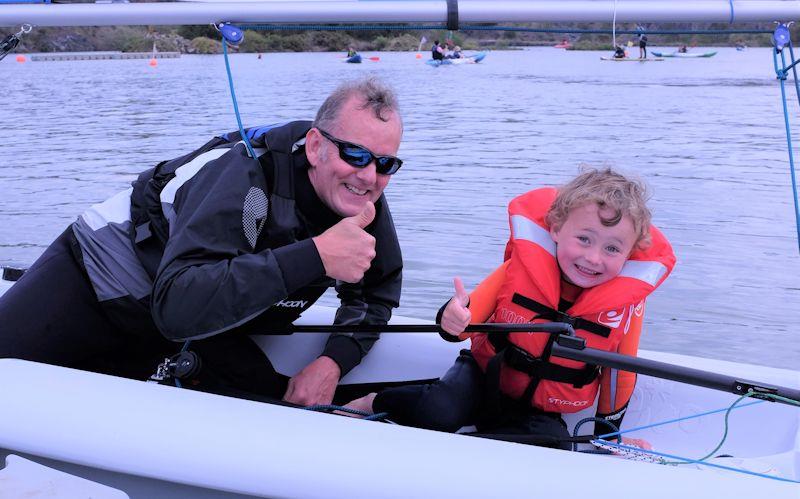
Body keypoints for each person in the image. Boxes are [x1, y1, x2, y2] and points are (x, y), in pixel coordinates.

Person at [0, 76, 405, 407]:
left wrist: (333, 362)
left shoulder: (362, 200)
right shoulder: (245, 181)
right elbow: (177, 303)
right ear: (316, 146)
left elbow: (376, 294)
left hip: (203, 327)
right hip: (100, 277)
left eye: (386, 164)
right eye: (355, 155)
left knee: (282, 402)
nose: (369, 176)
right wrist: (315, 256)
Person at [347, 168, 676, 450]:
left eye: (612, 248)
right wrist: (453, 317)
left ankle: (475, 444)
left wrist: (609, 438)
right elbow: (462, 321)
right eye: (585, 239)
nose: (593, 258)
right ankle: (372, 401)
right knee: (439, 411)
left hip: (539, 410)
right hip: (482, 375)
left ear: (630, 253)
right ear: (557, 228)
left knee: (554, 446)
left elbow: (620, 374)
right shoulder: (523, 268)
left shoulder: (626, 307)